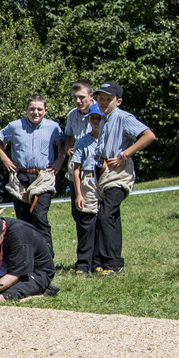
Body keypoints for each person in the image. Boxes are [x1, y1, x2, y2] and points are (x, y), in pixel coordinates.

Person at [91, 81, 157, 275]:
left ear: (118, 101)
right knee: (111, 216)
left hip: (119, 172)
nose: (103, 102)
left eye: (108, 99)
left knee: (106, 216)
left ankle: (112, 264)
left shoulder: (123, 117)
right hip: (103, 171)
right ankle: (112, 261)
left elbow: (149, 135)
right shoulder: (105, 118)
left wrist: (124, 154)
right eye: (100, 99)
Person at [0, 94, 65, 256]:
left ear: (45, 110)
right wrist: (5, 158)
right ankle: (27, 256)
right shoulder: (15, 126)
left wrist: (60, 160)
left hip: (43, 178)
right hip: (20, 178)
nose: (35, 112)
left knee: (39, 216)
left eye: (39, 109)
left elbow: (63, 142)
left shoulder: (53, 127)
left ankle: (47, 255)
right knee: (23, 220)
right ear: (26, 109)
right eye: (32, 109)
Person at [68, 104, 104, 274]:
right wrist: (78, 194)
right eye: (93, 118)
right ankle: (83, 263)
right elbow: (76, 169)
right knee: (86, 223)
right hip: (87, 180)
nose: (96, 121)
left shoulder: (108, 139)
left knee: (101, 222)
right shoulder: (83, 141)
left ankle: (97, 262)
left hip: (104, 178)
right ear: (89, 120)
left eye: (99, 118)